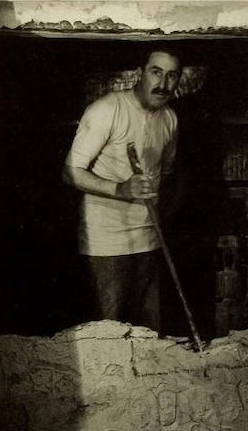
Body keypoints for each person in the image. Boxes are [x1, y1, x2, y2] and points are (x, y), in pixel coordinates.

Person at [62, 47, 182, 332]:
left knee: (149, 332)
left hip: (149, 238)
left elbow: (165, 173)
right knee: (109, 333)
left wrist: (163, 213)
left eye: (172, 76)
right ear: (140, 74)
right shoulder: (107, 110)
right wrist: (120, 189)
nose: (163, 84)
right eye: (156, 72)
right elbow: (70, 172)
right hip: (106, 243)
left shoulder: (170, 119)